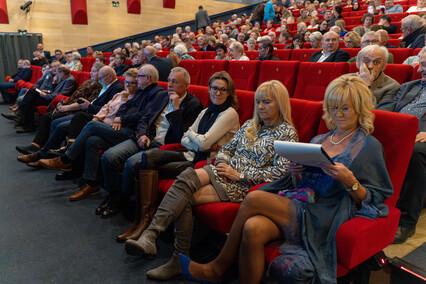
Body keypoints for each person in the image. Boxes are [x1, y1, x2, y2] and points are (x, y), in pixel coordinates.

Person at [180, 75, 393, 284]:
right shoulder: (320, 139)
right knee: (252, 227)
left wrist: (350, 180)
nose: (338, 114)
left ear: (359, 108)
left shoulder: (368, 145)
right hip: (302, 204)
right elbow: (300, 186)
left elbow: (374, 199)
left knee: (255, 198)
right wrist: (295, 173)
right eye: (333, 108)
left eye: (345, 108)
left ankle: (216, 268)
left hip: (327, 213)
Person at [124, 80, 298, 281]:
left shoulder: (287, 133)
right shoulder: (251, 124)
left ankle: (168, 252)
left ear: (280, 103)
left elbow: (281, 173)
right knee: (186, 179)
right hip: (223, 172)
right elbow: (226, 150)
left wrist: (239, 175)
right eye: (258, 102)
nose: (260, 107)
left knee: (185, 196)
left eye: (266, 102)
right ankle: (153, 237)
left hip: (244, 186)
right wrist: (224, 164)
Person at [116, 71, 240, 243]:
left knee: (149, 166)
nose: (217, 93)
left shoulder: (229, 113)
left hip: (204, 163)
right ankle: (141, 219)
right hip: (190, 155)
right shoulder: (206, 111)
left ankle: (146, 222)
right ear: (209, 89)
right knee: (147, 158)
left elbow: (202, 144)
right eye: (214, 88)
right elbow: (185, 137)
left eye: (223, 90)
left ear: (229, 93)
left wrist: (196, 139)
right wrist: (198, 140)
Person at [91, 67, 202, 215]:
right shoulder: (163, 96)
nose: (169, 85)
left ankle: (121, 201)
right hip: (145, 138)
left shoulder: (194, 105)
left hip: (164, 147)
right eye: (168, 81)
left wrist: (175, 109)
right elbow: (145, 118)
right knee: (109, 157)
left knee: (131, 163)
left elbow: (182, 136)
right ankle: (114, 195)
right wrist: (142, 134)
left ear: (186, 85)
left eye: (174, 82)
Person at [377, 52, 426, 244]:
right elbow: (384, 110)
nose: (419, 69)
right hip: (399, 133)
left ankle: (407, 221)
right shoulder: (408, 86)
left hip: (420, 140)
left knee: (415, 152)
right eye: (420, 64)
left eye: (424, 65)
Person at [15, 63, 104, 157]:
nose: (91, 73)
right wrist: (63, 103)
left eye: (94, 71)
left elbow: (84, 103)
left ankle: (44, 148)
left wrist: (66, 107)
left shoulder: (98, 87)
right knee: (46, 115)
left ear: (101, 73)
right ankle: (38, 145)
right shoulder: (90, 82)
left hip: (77, 111)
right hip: (70, 106)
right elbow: (73, 97)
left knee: (49, 118)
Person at [11, 64, 77, 133]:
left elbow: (61, 95)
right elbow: (54, 91)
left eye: (57, 73)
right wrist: (47, 92)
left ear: (62, 73)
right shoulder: (64, 78)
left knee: (30, 99)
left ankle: (25, 122)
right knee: (31, 93)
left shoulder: (69, 80)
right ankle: (26, 123)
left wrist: (46, 96)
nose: (56, 74)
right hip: (50, 96)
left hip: (53, 101)